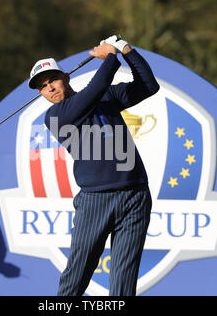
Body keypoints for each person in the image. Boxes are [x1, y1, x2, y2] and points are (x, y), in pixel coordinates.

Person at [28, 35, 160, 296]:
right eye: (43, 87)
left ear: (66, 76)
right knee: (77, 276)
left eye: (52, 79)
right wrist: (111, 56)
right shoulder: (56, 116)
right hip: (95, 200)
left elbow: (148, 85)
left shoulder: (107, 97)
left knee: (124, 282)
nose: (50, 88)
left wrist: (126, 50)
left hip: (135, 195)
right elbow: (94, 89)